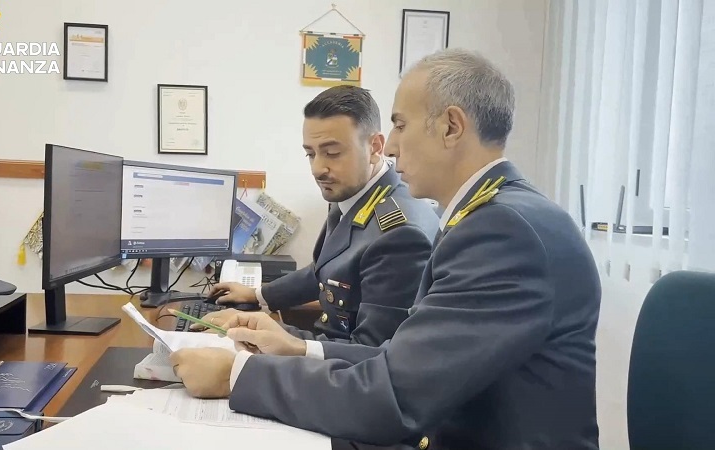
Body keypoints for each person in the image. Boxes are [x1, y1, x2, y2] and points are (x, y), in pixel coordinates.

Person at [170, 48, 602, 450]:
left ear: (451, 127)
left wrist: (237, 375)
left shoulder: (503, 232)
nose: (391, 147)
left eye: (400, 125)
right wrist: (298, 348)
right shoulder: (493, 215)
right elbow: (405, 360)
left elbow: (395, 395)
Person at [199, 85, 439, 346]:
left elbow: (370, 352)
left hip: (341, 363)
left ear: (375, 146)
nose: (317, 169)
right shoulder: (353, 193)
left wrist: (266, 333)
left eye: (332, 153)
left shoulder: (399, 234)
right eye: (310, 153)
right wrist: (258, 295)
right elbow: (324, 272)